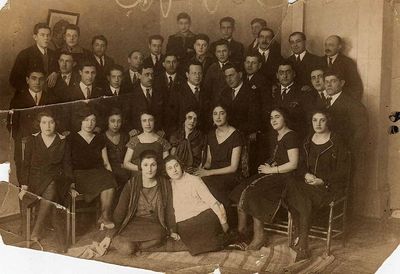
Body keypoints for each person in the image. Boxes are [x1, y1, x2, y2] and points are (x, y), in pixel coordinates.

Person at [230, 107, 299, 250]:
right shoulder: (276, 135)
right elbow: (278, 157)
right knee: (240, 189)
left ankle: (259, 235)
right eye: (271, 118)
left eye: (277, 117)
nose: (273, 120)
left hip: (286, 178)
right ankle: (242, 232)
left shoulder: (291, 136)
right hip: (274, 173)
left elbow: (293, 164)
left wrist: (271, 169)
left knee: (254, 193)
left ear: (285, 118)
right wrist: (269, 163)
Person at [286, 110, 348, 261]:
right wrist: (306, 174)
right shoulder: (308, 140)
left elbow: (342, 172)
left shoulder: (337, 141)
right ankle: (302, 243)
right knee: (292, 187)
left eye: (322, 120)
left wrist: (322, 180)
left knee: (299, 196)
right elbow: (300, 166)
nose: (318, 124)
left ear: (328, 121)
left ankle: (301, 240)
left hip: (327, 187)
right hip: (307, 184)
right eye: (315, 120)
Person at [100, 150, 176, 255]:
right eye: (145, 165)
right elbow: (120, 212)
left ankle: (133, 246)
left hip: (154, 225)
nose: (149, 169)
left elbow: (169, 209)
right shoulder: (131, 184)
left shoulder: (164, 183)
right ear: (140, 166)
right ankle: (126, 244)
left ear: (157, 166)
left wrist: (173, 230)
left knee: (160, 235)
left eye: (153, 165)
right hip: (133, 223)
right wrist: (108, 236)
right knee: (127, 249)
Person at [20, 111, 73, 249]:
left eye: (51, 122)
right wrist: (24, 186)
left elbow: (67, 165)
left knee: (53, 183)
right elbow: (26, 165)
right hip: (35, 180)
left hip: (57, 179)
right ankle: (58, 241)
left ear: (56, 124)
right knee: (51, 187)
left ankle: (36, 231)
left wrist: (71, 184)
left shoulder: (62, 141)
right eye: (44, 122)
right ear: (39, 124)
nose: (48, 126)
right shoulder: (32, 140)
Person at [165, 156, 228, 255]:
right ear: (166, 172)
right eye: (170, 168)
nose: (174, 170)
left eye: (176, 165)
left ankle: (220, 239)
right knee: (195, 244)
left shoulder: (194, 180)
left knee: (200, 241)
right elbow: (170, 211)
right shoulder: (168, 186)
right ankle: (218, 242)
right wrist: (172, 230)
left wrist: (224, 223)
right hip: (185, 223)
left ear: (181, 166)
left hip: (204, 216)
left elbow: (212, 201)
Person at [69, 107, 117, 229]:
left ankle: (104, 216)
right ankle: (104, 217)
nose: (90, 124)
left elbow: (105, 162)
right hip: (79, 175)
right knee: (106, 181)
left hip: (97, 173)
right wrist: (71, 184)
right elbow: (67, 164)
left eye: (93, 120)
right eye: (86, 120)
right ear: (80, 121)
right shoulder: (71, 139)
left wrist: (110, 175)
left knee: (109, 180)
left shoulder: (100, 138)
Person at [8, 69, 56, 183]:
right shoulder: (18, 99)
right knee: (25, 181)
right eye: (34, 78)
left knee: (44, 181)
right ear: (27, 80)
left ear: (44, 81)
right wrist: (22, 139)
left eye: (41, 79)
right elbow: (11, 125)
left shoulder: (51, 98)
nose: (37, 82)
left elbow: (55, 121)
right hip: (24, 144)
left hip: (44, 144)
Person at [194, 104, 243, 214]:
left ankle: (223, 218)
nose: (218, 117)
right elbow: (209, 161)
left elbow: (233, 167)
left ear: (227, 115)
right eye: (215, 114)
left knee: (213, 186)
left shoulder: (236, 135)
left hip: (230, 175)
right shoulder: (210, 135)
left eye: (222, 113)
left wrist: (209, 173)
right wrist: (200, 171)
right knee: (195, 181)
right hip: (213, 172)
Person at [324, 70, 368, 153]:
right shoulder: (323, 102)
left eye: (333, 81)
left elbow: (361, 131)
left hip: (344, 152)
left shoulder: (353, 104)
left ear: (342, 83)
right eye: (326, 82)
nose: (329, 85)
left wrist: (348, 151)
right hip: (326, 151)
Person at [9, 23, 58, 91]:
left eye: (48, 35)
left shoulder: (54, 54)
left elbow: (59, 69)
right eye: (42, 35)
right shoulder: (25, 54)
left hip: (48, 95)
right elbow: (14, 80)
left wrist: (55, 72)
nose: (46, 38)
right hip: (29, 95)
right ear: (35, 37)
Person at [272, 61, 314, 140]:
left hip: (296, 137)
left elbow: (308, 120)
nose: (285, 76)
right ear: (277, 75)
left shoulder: (303, 92)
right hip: (276, 138)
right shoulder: (273, 92)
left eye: (288, 72)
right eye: (281, 73)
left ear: (294, 74)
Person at [123, 112, 171, 176]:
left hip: (157, 176)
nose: (147, 124)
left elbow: (167, 163)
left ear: (154, 121)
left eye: (150, 120)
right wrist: (142, 168)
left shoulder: (162, 141)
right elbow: (126, 163)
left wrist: (153, 170)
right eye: (144, 121)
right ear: (141, 122)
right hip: (138, 176)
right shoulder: (134, 140)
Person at [167, 61, 209, 133]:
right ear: (187, 74)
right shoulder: (177, 92)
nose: (197, 76)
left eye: (200, 73)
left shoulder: (207, 92)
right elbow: (171, 118)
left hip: (202, 136)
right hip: (182, 136)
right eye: (194, 73)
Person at [322, 35, 363, 100]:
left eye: (331, 45)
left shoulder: (347, 62)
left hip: (341, 100)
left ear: (339, 47)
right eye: (326, 45)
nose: (327, 48)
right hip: (322, 100)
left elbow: (356, 86)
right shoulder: (318, 61)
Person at [129, 63, 165, 132]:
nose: (150, 78)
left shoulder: (161, 93)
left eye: (152, 74)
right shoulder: (132, 94)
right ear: (139, 75)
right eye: (147, 75)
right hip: (138, 134)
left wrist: (162, 130)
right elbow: (128, 118)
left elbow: (165, 115)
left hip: (158, 133)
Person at [103, 108, 130, 196]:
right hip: (108, 169)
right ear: (107, 121)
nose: (116, 124)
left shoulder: (125, 136)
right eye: (113, 121)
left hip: (124, 168)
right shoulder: (101, 137)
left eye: (119, 121)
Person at [203, 39, 231, 104]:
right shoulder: (211, 68)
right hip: (215, 104)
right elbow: (206, 90)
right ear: (215, 54)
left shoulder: (235, 67)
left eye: (224, 51)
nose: (221, 54)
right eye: (219, 51)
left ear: (229, 52)